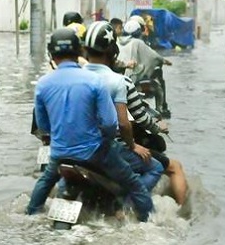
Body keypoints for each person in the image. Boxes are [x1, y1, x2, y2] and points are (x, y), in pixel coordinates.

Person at [26, 28, 155, 222]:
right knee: (134, 184)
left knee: (44, 182)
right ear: (79, 52)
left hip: (60, 153)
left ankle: (30, 216)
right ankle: (150, 224)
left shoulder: (43, 84)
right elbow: (111, 124)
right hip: (95, 153)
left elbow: (43, 127)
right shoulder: (95, 81)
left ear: (51, 54)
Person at [83, 21, 164, 192]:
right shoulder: (120, 82)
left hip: (76, 147)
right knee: (157, 167)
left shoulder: (73, 79)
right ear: (112, 53)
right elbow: (126, 122)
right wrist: (155, 129)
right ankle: (129, 204)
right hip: (108, 149)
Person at [124, 75, 188, 206]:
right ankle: (182, 211)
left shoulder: (89, 83)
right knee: (174, 167)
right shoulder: (121, 84)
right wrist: (157, 127)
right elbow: (138, 119)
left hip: (83, 149)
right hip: (118, 148)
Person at [118, 20, 172, 116]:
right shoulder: (138, 42)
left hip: (118, 79)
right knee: (158, 89)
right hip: (132, 79)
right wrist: (164, 60)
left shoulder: (117, 40)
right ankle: (160, 110)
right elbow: (153, 56)